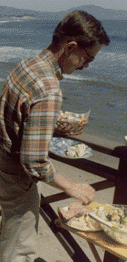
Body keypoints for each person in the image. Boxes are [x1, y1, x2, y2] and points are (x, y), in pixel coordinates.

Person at [0, 10, 110, 262]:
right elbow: (34, 162)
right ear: (71, 47)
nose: (86, 66)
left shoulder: (27, 65)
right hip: (17, 176)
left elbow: (13, 113)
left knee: (8, 233)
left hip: (3, 166)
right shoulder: (49, 88)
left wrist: (48, 122)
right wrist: (73, 186)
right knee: (19, 249)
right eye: (87, 58)